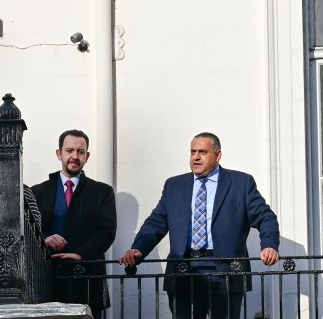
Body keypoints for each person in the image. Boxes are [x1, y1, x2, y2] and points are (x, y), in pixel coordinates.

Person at [119, 133, 280, 319]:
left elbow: (265, 216)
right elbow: (156, 222)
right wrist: (138, 249)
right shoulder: (174, 185)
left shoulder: (240, 183)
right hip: (183, 268)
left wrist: (269, 244)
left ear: (217, 155)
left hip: (225, 269)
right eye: (193, 152)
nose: (196, 157)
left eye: (202, 152)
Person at [31, 130, 117, 318]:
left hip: (87, 280)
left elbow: (107, 231)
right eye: (69, 150)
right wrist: (44, 240)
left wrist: (80, 254)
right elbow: (27, 230)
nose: (75, 156)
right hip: (46, 280)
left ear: (87, 156)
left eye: (80, 152)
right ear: (59, 153)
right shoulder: (37, 192)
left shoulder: (102, 192)